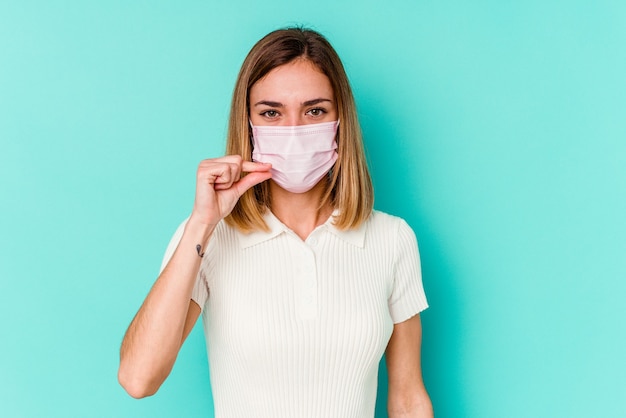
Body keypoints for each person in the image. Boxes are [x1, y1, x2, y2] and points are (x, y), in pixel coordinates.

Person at [118, 27, 433, 418]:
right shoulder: (207, 238)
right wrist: (202, 223)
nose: (295, 131)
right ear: (248, 123)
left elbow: (407, 399)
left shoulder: (392, 239)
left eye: (315, 111)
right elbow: (138, 378)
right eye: (271, 113)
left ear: (340, 121)